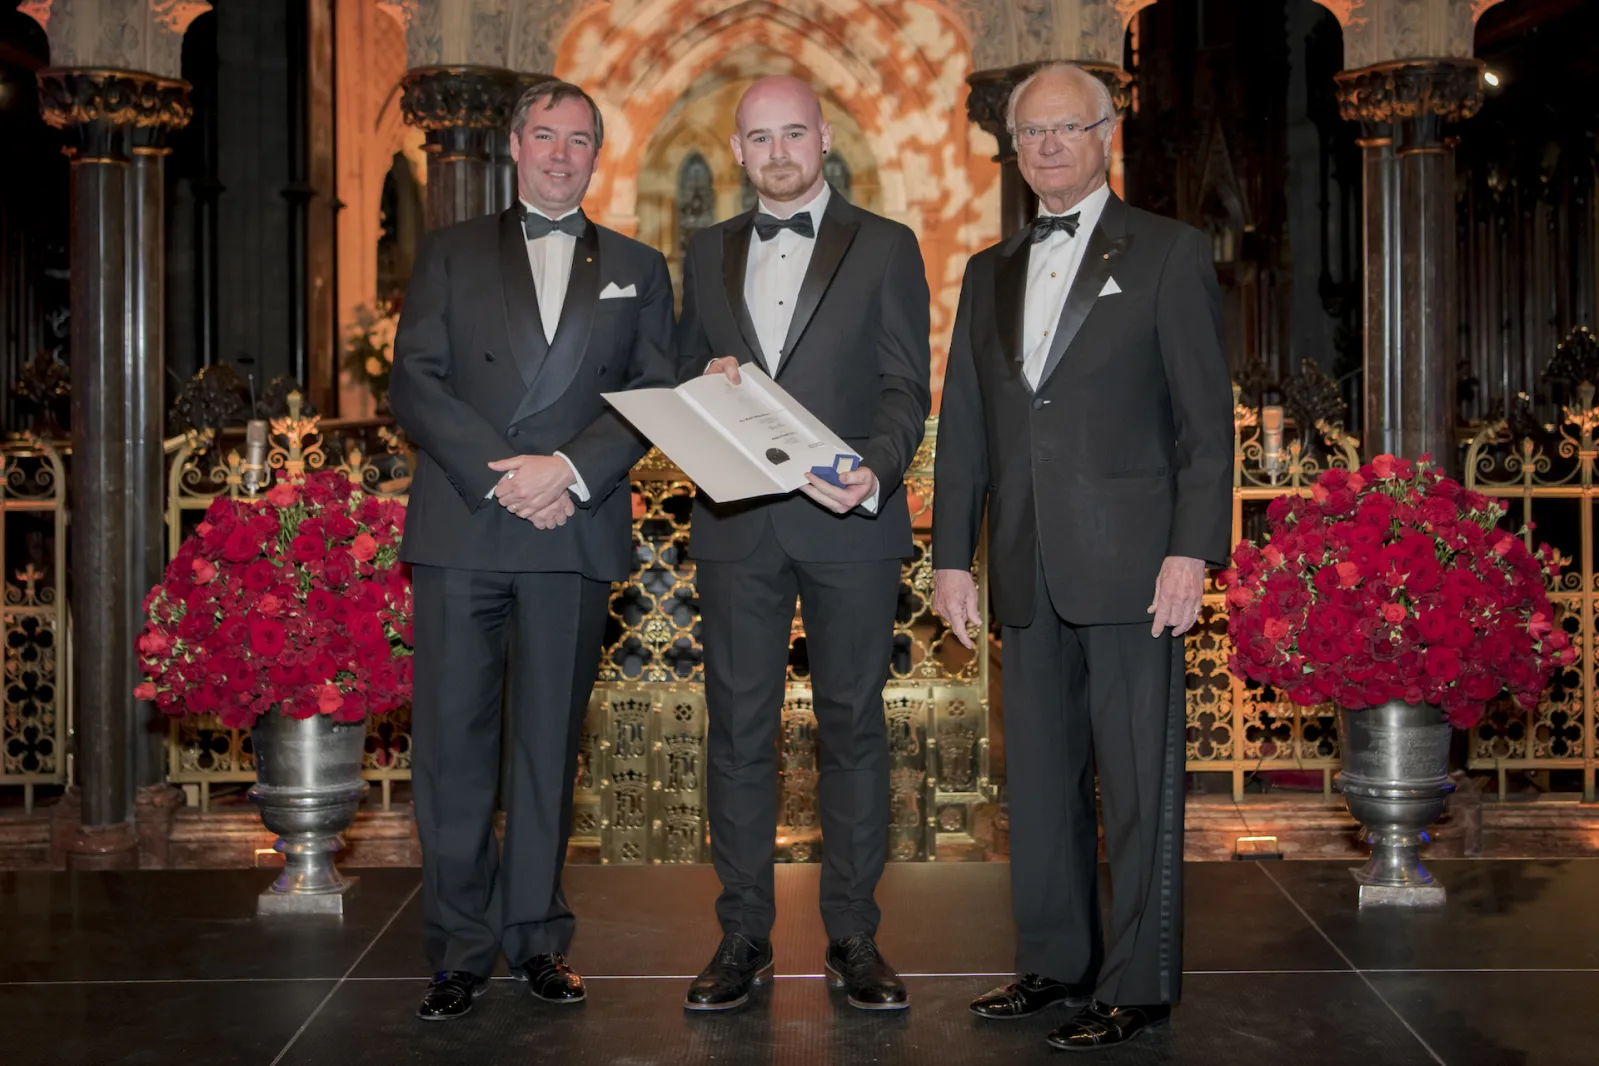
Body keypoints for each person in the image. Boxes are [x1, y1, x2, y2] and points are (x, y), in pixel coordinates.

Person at [931, 62, 1232, 1052]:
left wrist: (1191, 550)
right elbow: (965, 429)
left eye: (1068, 127)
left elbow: (1205, 426)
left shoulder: (1168, 252)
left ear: (1107, 135)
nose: (1050, 145)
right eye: (1033, 132)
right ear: (1014, 149)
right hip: (1024, 563)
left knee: (1137, 785)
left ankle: (1137, 985)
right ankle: (1055, 963)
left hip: (1135, 566)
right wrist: (952, 558)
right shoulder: (987, 271)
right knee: (1039, 781)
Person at [389, 80, 676, 1021]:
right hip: (466, 523)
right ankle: (458, 949)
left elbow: (653, 391)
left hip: (572, 527)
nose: (560, 154)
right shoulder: (449, 251)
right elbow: (416, 381)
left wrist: (567, 472)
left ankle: (538, 940)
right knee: (453, 749)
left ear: (597, 155)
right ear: (514, 146)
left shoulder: (638, 266)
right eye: (545, 136)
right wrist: (505, 476)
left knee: (549, 747)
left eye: (578, 140)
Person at [674, 75, 931, 1013]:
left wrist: (877, 468)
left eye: (793, 133)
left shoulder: (887, 245)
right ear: (737, 151)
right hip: (737, 521)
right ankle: (742, 935)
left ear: (823, 139)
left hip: (847, 517)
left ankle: (853, 935)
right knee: (738, 729)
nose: (777, 151)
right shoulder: (706, 250)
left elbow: (906, 384)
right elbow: (679, 370)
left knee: (853, 726)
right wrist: (703, 382)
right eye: (759, 137)